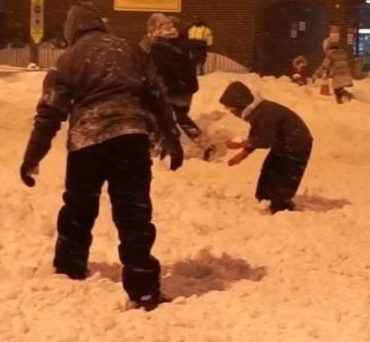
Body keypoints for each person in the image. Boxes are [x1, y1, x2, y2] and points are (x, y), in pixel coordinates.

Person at [19, 1, 183, 311]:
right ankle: (143, 288)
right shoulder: (131, 51)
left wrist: (32, 156)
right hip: (131, 139)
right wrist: (171, 138)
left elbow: (49, 113)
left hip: (87, 145)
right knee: (134, 214)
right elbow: (158, 96)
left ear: (72, 31)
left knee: (78, 209)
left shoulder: (68, 60)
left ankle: (69, 268)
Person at [219, 80, 313, 214]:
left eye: (231, 109)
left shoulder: (264, 113)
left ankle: (281, 206)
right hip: (282, 144)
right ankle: (265, 198)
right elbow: (257, 135)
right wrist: (242, 155)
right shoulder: (257, 112)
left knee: (285, 176)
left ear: (240, 105)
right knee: (269, 171)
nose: (232, 113)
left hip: (297, 145)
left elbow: (264, 140)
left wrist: (241, 144)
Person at [144, 13, 211, 158]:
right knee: (178, 117)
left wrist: (157, 87)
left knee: (167, 118)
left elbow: (160, 71)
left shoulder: (159, 47)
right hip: (186, 87)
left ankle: (158, 150)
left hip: (172, 89)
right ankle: (202, 144)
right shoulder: (180, 41)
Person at [315, 37, 355, 103]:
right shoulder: (342, 52)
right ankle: (349, 98)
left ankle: (341, 103)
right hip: (347, 75)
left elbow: (324, 66)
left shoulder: (330, 54)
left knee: (337, 90)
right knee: (340, 89)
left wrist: (316, 74)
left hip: (338, 76)